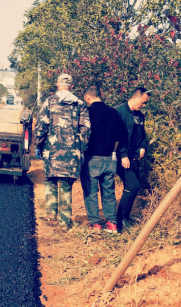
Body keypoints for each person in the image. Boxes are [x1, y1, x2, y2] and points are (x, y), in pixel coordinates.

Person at [35, 74, 91, 230]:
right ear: (72, 87)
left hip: (51, 151)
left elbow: (41, 126)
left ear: (57, 85)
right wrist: (81, 150)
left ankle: (51, 214)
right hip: (72, 153)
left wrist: (38, 144)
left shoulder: (49, 102)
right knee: (65, 185)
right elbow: (85, 130)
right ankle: (64, 222)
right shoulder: (80, 104)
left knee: (49, 179)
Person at [81, 85, 127, 233]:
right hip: (109, 158)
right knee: (109, 193)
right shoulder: (114, 113)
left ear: (88, 97)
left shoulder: (87, 112)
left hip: (92, 159)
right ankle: (112, 224)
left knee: (91, 192)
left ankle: (95, 224)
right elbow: (122, 134)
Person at [115, 87, 150, 231]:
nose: (143, 105)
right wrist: (123, 155)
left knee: (132, 187)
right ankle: (120, 219)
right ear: (135, 98)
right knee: (133, 186)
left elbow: (143, 135)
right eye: (143, 102)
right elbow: (116, 136)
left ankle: (124, 218)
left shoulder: (140, 116)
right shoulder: (118, 112)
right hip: (121, 157)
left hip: (134, 158)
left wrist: (142, 147)